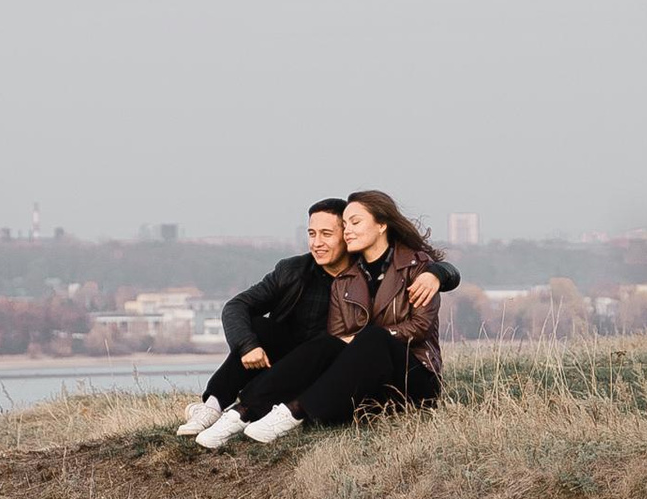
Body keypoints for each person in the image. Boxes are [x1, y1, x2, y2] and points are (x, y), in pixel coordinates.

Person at [194, 189, 452, 449]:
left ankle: (291, 413)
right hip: (368, 378)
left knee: (374, 337)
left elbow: (420, 327)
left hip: (414, 377)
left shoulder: (418, 268)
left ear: (382, 225)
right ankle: (240, 412)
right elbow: (336, 340)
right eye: (345, 224)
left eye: (354, 223)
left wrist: (437, 273)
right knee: (324, 343)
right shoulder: (345, 278)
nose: (348, 230)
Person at [177, 201, 352, 437]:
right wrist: (248, 346)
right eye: (312, 234)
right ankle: (212, 407)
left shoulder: (364, 277)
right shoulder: (293, 270)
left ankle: (243, 411)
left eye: (326, 234)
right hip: (281, 359)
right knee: (259, 326)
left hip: (325, 367)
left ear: (347, 235)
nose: (317, 243)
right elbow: (236, 306)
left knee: (325, 346)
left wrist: (423, 274)